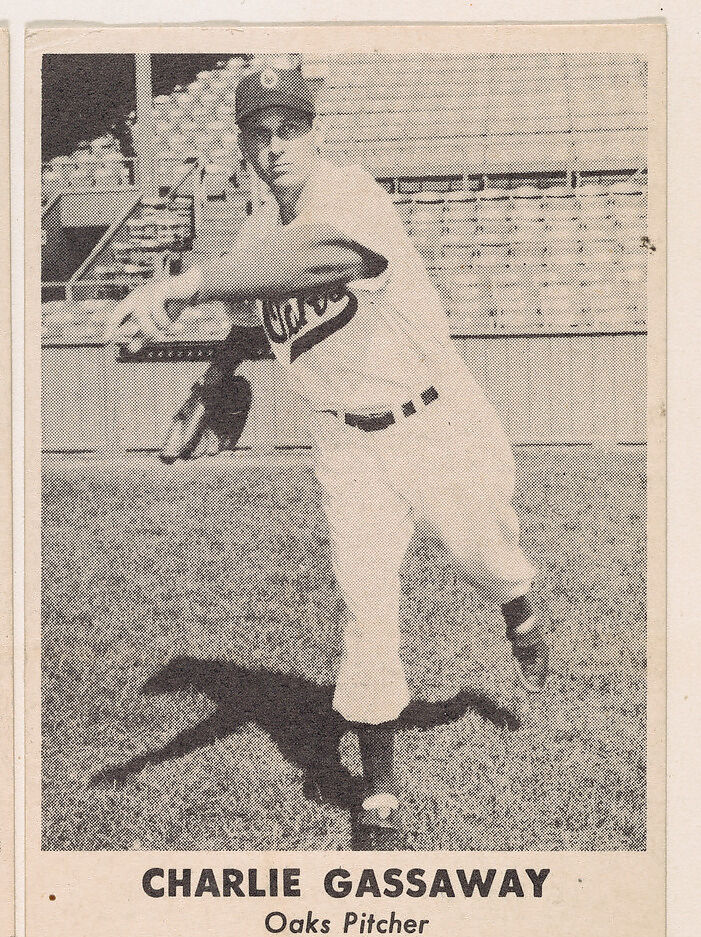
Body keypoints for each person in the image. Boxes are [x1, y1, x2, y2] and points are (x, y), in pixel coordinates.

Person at [110, 64, 550, 850]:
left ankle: (516, 601)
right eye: (259, 132)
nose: (275, 147)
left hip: (433, 416)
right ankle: (377, 788)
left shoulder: (352, 196)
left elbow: (320, 259)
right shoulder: (255, 232)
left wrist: (183, 286)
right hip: (345, 440)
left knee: (483, 553)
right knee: (365, 603)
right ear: (242, 145)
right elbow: (260, 303)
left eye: (290, 130)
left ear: (317, 134)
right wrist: (217, 374)